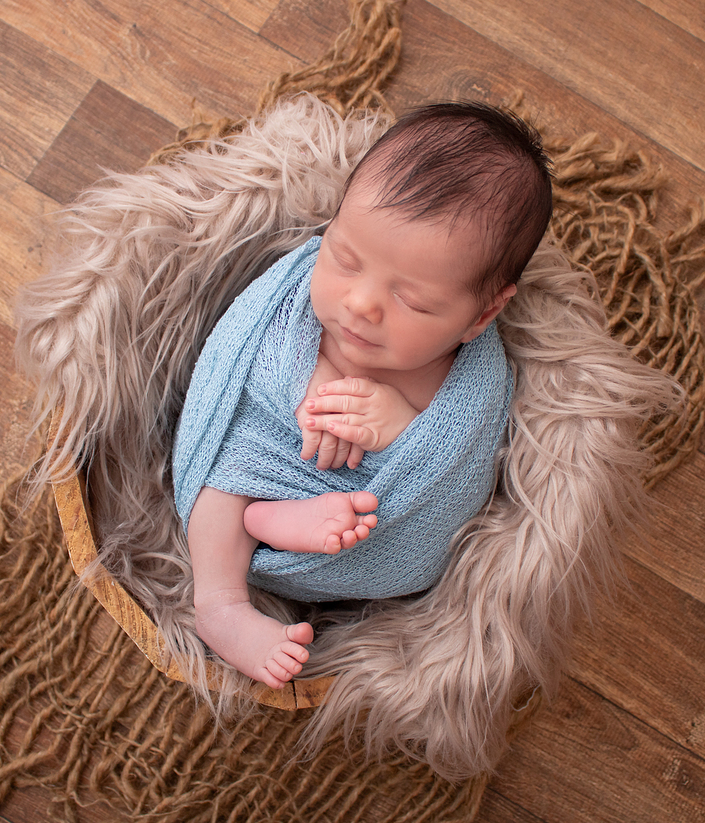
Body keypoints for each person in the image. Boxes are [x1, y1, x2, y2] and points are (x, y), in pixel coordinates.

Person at [176, 102, 553, 689]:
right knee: (223, 475)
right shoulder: (302, 294)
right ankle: (221, 602)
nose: (360, 304)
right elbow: (248, 354)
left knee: (372, 519)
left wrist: (402, 426)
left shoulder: (471, 378)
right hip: (269, 449)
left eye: (414, 302)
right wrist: (307, 389)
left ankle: (272, 521)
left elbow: (460, 455)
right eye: (345, 259)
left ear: (483, 313)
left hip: (364, 514)